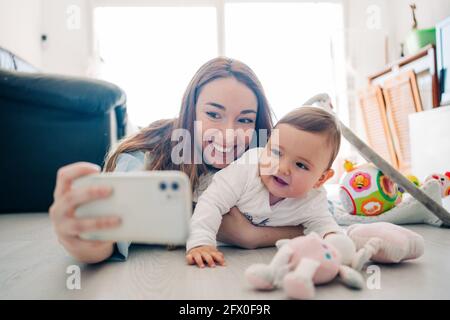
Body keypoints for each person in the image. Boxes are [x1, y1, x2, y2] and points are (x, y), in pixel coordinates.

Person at [49, 57, 305, 264]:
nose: (228, 135)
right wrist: (81, 240)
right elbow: (106, 238)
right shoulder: (147, 158)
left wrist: (251, 236)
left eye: (245, 120)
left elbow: (314, 215)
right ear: (190, 111)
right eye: (213, 114)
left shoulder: (267, 157)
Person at [186, 106, 344, 268]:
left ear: (321, 179)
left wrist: (338, 244)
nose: (282, 168)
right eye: (276, 153)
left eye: (301, 165)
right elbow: (212, 202)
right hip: (203, 197)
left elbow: (325, 226)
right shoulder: (246, 169)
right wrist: (201, 242)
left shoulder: (313, 199)